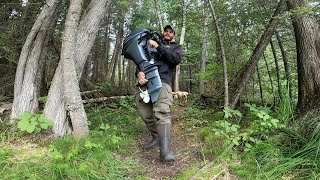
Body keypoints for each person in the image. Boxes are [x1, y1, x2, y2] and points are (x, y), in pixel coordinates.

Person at [135, 25, 183, 162]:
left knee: (162, 112)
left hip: (163, 83)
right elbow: (141, 62)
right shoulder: (148, 45)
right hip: (146, 84)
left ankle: (165, 152)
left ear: (173, 35)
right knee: (143, 110)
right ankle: (156, 136)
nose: (167, 33)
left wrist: (158, 46)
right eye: (166, 31)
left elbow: (175, 59)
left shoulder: (176, 47)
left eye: (170, 32)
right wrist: (138, 74)